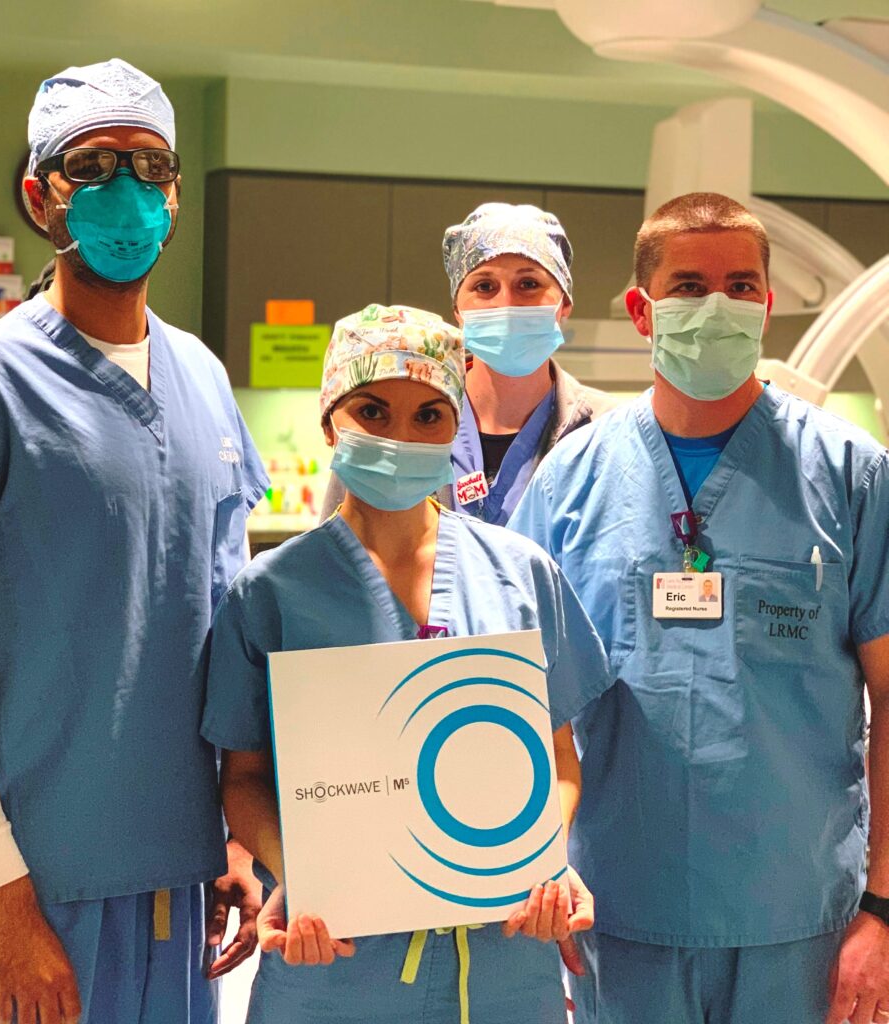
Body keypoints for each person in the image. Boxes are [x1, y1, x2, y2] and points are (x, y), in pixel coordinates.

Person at [510, 192, 889, 1024]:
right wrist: (531, 868)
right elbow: (521, 705)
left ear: (767, 303)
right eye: (688, 286)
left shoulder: (852, 477)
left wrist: (884, 912)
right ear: (644, 310)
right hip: (618, 913)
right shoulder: (570, 485)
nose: (717, 306)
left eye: (740, 285)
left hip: (800, 926)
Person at [0, 59, 268, 1024]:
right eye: (92, 166)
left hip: (176, 876)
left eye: (148, 164)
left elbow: (222, 632)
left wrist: (234, 837)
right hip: (25, 885)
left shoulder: (205, 381)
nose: (124, 188)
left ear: (174, 197)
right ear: (42, 197)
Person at [201, 303, 613, 1023]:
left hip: (502, 963)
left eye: (429, 414)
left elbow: (559, 760)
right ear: (331, 421)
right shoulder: (271, 594)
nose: (401, 434)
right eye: (372, 410)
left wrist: (541, 862)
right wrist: (301, 874)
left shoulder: (521, 575)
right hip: (336, 964)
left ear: (454, 427)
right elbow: (242, 778)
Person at [322, 203, 618, 525]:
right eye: (484, 286)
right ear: (458, 311)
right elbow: (338, 552)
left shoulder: (607, 432)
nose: (506, 303)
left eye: (529, 284)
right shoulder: (403, 414)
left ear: (564, 305)